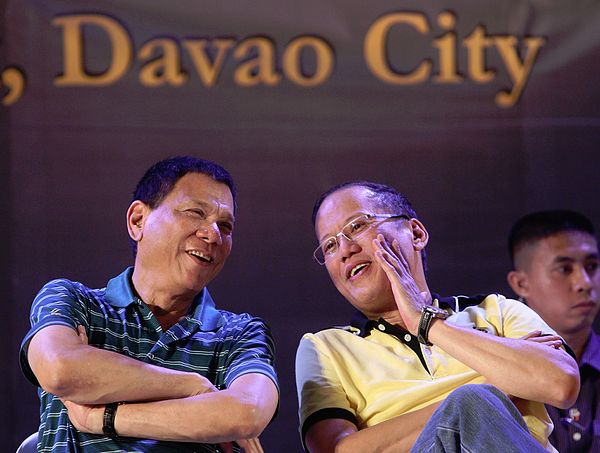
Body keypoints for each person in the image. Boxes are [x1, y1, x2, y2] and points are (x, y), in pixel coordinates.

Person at [295, 181, 580, 453]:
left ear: (416, 234)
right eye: (330, 246)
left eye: (356, 226)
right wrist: (495, 389)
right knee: (472, 402)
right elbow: (334, 449)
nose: (345, 250)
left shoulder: (498, 310)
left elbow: (560, 382)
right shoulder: (326, 348)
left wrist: (427, 321)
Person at [19, 156, 279, 452]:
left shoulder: (239, 332)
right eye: (195, 213)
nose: (213, 235)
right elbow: (59, 369)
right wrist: (193, 387)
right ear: (138, 220)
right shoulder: (73, 300)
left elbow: (248, 412)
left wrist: (103, 417)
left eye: (226, 225)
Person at [507, 210, 600, 453]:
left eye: (592, 266)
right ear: (521, 283)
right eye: (564, 269)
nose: (585, 283)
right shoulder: (500, 372)